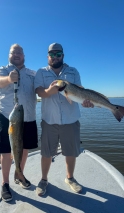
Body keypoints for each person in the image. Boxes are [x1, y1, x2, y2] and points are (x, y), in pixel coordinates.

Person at [34, 43, 94, 196]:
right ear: (48, 56)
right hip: (49, 121)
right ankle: (44, 180)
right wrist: (50, 90)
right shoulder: (41, 72)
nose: (55, 57)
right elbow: (40, 92)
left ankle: (70, 178)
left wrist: (86, 102)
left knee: (71, 152)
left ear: (63, 55)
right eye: (52, 54)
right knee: (46, 153)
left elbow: (80, 92)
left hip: (71, 120)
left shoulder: (73, 72)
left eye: (58, 54)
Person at [0, 44, 38, 202]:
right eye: (14, 52)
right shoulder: (3, 70)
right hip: (7, 117)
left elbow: (41, 89)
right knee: (6, 151)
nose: (17, 54)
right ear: (9, 55)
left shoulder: (33, 73)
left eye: (20, 52)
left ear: (24, 56)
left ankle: (19, 174)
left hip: (28, 116)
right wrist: (8, 79)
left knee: (24, 149)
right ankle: (5, 183)